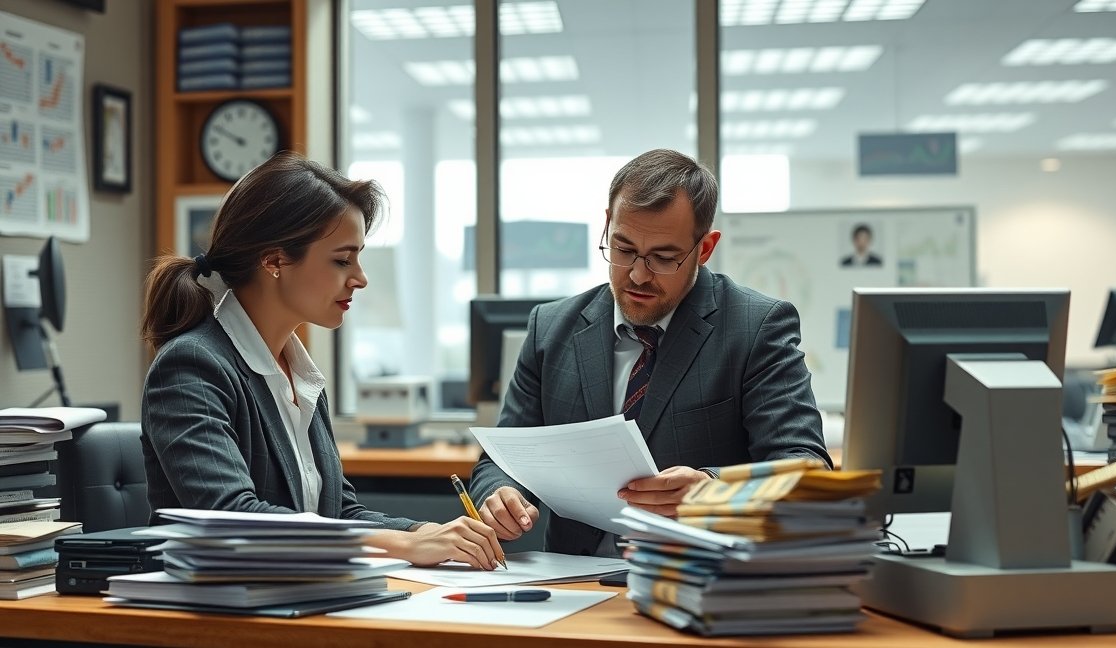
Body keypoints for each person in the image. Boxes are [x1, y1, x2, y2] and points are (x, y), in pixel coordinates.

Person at [139, 151, 502, 570]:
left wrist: (422, 533)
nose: (360, 278)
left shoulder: (299, 373)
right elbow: (232, 516)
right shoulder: (191, 366)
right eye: (341, 260)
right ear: (274, 260)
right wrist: (401, 547)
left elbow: (339, 514)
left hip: (295, 595)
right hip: (217, 611)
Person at [468, 148, 831, 556]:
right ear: (608, 225)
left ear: (705, 248)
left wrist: (715, 489)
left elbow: (808, 470)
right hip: (573, 582)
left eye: (663, 258)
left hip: (698, 578)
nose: (638, 275)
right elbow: (499, 459)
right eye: (623, 250)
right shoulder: (551, 329)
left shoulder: (755, 328)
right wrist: (499, 493)